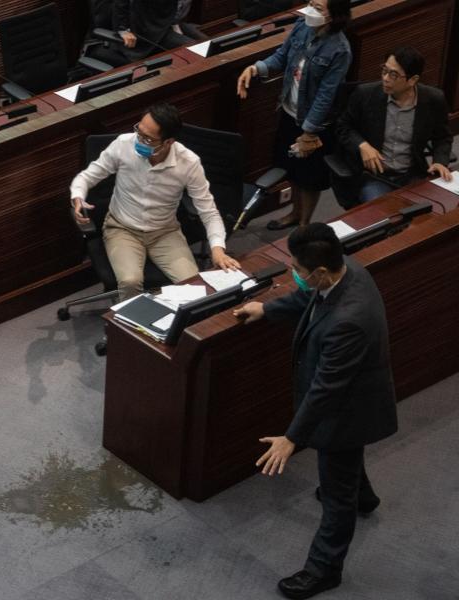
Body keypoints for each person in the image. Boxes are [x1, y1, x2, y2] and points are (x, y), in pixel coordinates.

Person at [233, 223, 397, 599]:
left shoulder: (349, 322)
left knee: (336, 493)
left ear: (321, 271)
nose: (296, 275)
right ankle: (365, 498)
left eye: (300, 272)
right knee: (345, 463)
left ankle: (324, 570)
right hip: (352, 401)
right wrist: (268, 309)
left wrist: (292, 438)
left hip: (346, 410)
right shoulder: (345, 269)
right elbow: (313, 300)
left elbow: (327, 388)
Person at [70, 102, 240, 300]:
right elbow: (87, 176)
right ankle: (128, 329)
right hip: (122, 229)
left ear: (168, 142)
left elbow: (209, 211)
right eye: (139, 131)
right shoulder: (124, 144)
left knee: (194, 287)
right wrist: (78, 196)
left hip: (165, 232)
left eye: (148, 139)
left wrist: (218, 249)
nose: (139, 140)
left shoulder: (188, 163)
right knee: (130, 281)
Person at [237, 0, 352, 229]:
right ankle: (295, 213)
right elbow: (281, 57)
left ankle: (304, 225)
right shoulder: (301, 26)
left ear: (333, 15)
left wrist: (309, 132)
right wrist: (256, 68)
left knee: (309, 177)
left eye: (318, 8)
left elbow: (325, 96)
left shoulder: (340, 49)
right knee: (292, 169)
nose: (311, 10)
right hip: (290, 111)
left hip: (316, 123)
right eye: (311, 3)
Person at [336, 46, 454, 204]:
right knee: (383, 217)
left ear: (413, 80)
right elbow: (343, 126)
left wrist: (439, 161)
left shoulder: (433, 99)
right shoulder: (365, 94)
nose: (385, 78)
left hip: (412, 174)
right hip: (376, 177)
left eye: (393, 75)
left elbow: (443, 136)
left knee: (431, 215)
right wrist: (362, 145)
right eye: (384, 70)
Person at [114, 0, 193, 60]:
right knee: (193, 51)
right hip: (142, 28)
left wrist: (174, 24)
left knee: (201, 45)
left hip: (165, 23)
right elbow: (121, 4)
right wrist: (123, 30)